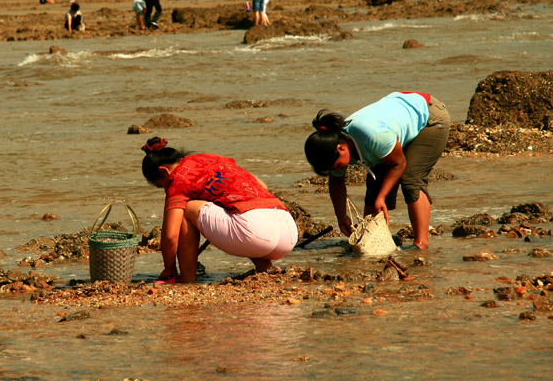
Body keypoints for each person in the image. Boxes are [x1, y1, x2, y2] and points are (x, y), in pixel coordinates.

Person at [303, 92, 450, 250]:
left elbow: (399, 163)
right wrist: (341, 216)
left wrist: (382, 197)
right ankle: (374, 237)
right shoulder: (335, 142)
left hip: (428, 118)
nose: (337, 170)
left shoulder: (371, 135)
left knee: (411, 178)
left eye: (337, 166)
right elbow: (336, 181)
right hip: (395, 121)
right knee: (375, 182)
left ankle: (421, 244)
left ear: (341, 147)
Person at [141, 137, 298, 283]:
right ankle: (265, 268)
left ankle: (187, 280)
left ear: (164, 171)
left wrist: (169, 268)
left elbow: (170, 236)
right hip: (288, 231)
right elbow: (262, 185)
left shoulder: (177, 179)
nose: (166, 189)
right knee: (237, 213)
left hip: (256, 236)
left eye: (162, 186)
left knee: (186, 209)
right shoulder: (212, 158)